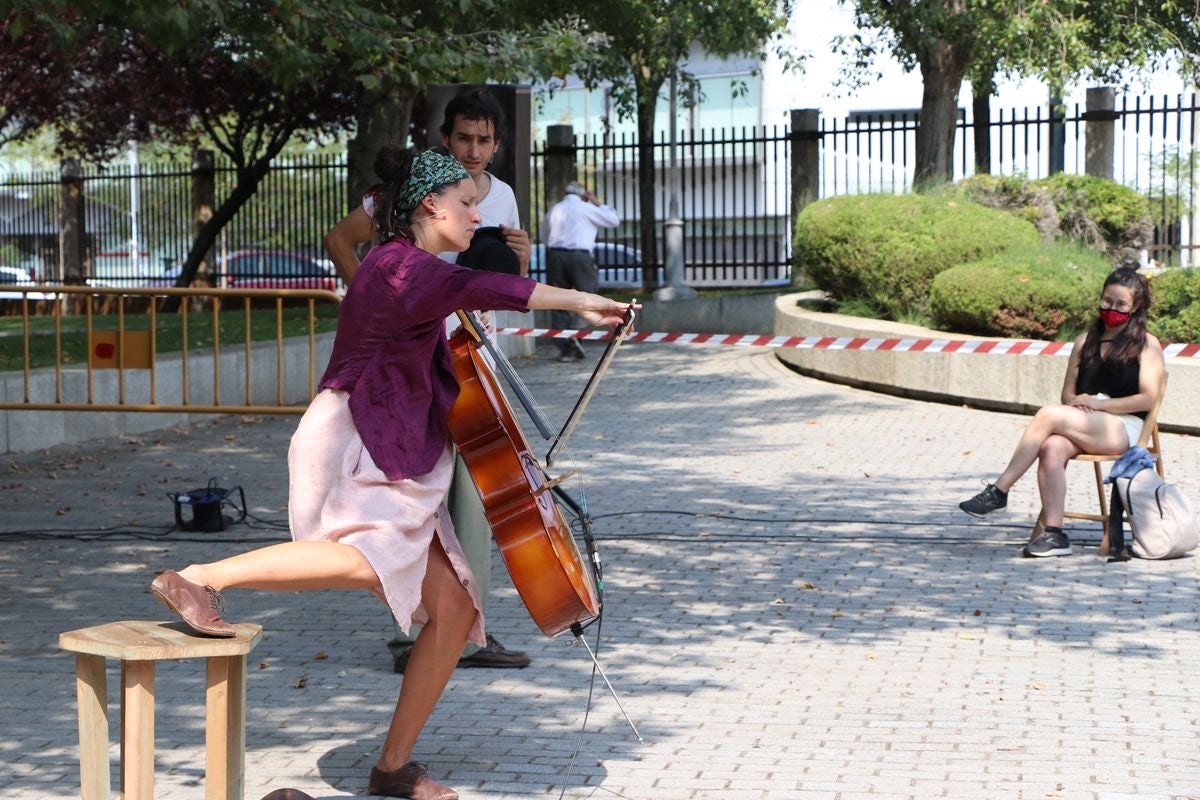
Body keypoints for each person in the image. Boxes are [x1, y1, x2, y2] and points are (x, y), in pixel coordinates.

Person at [150, 147, 635, 800]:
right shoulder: (406, 268)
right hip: (363, 442)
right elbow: (487, 288)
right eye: (466, 203)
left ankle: (392, 768)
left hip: (380, 439)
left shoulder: (402, 266)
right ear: (429, 206)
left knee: (455, 610)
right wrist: (583, 300)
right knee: (368, 558)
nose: (475, 214)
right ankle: (202, 577)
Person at [324, 87, 533, 674]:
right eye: (463, 137)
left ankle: (469, 629)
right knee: (414, 496)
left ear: (497, 145)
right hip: (415, 363)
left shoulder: (506, 196)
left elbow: (498, 282)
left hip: (475, 356)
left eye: (484, 140)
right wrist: (374, 298)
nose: (473, 149)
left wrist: (519, 259)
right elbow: (341, 241)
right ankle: (409, 634)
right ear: (446, 138)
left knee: (476, 495)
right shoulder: (411, 189)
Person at [958, 267, 1164, 557]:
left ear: (1136, 306)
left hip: (1123, 426)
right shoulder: (1085, 341)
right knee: (1052, 446)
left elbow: (1147, 399)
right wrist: (1081, 402)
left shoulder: (1146, 343)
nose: (1111, 309)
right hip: (1087, 420)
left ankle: (999, 490)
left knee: (1047, 414)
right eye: (1107, 301)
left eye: (1120, 304)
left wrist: (1097, 404)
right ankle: (1054, 534)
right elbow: (1067, 394)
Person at [542, 181, 621, 362]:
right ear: (584, 195)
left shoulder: (555, 209)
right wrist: (596, 202)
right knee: (589, 296)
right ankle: (576, 334)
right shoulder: (586, 208)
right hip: (580, 257)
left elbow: (545, 234)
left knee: (558, 300)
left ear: (565, 192)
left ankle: (565, 349)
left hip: (555, 256)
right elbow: (614, 220)